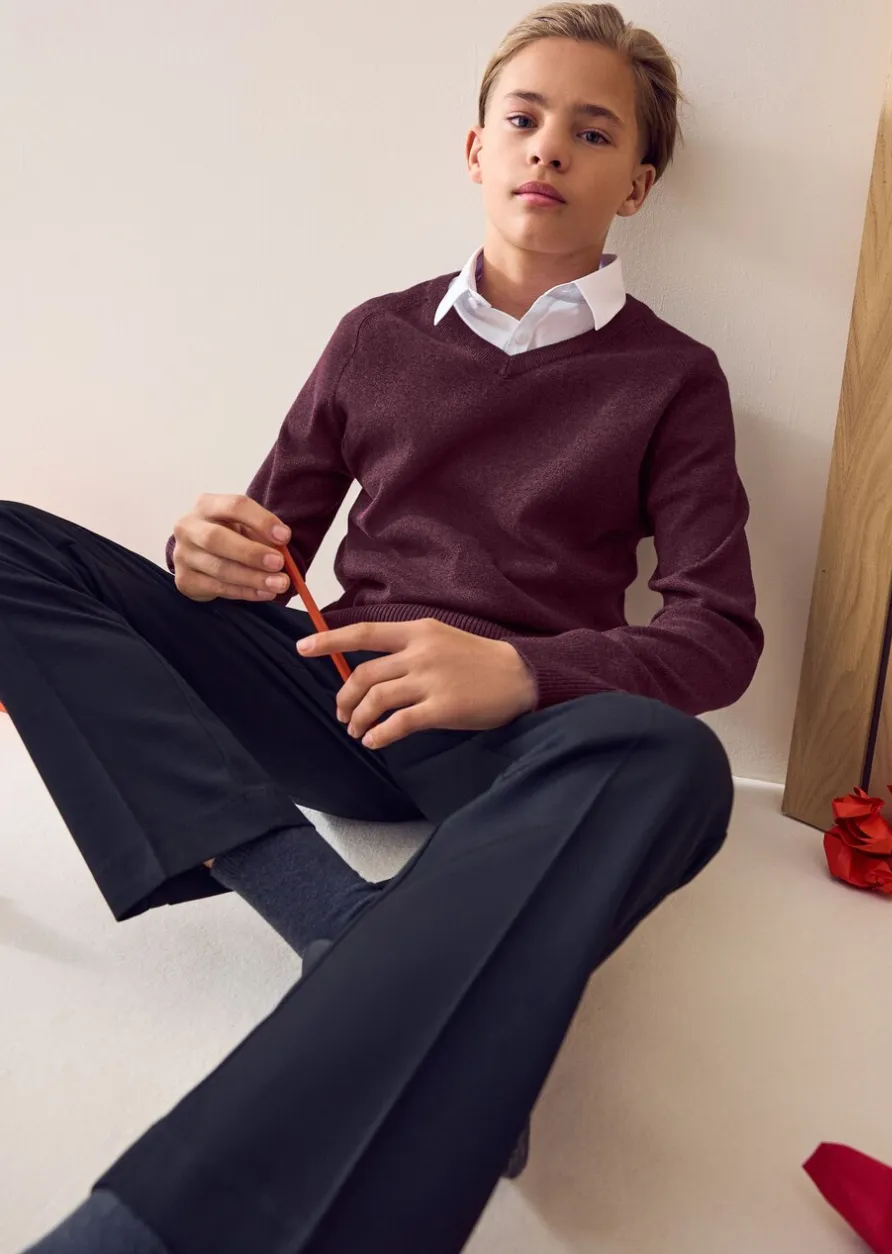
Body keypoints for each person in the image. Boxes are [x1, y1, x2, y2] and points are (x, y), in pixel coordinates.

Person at [6, 4, 763, 1251]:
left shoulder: (674, 379)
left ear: (635, 184)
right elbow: (269, 554)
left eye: (592, 132)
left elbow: (718, 635)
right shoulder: (375, 335)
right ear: (476, 149)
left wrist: (520, 672)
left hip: (514, 742)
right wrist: (203, 556)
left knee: (674, 761)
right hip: (335, 694)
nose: (548, 147)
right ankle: (323, 909)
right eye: (523, 119)